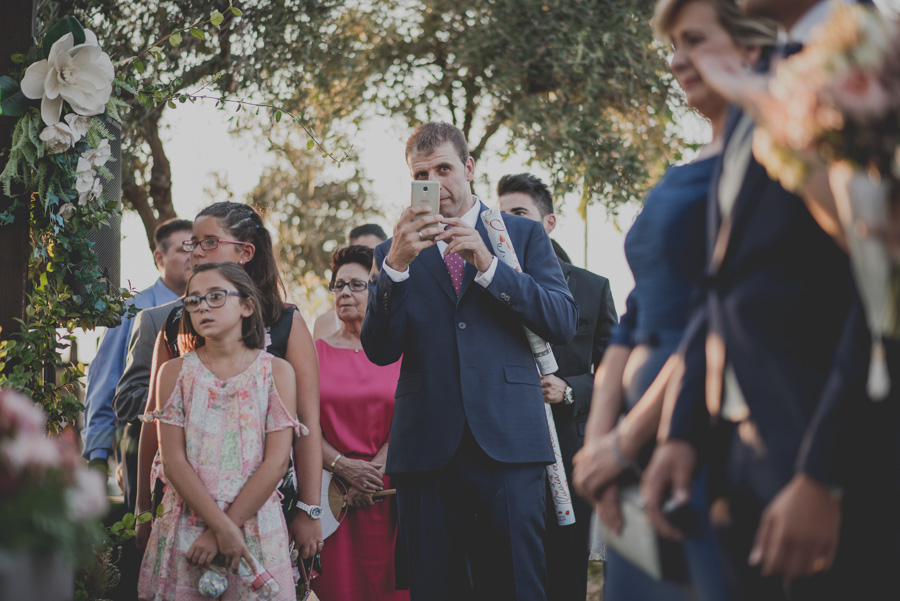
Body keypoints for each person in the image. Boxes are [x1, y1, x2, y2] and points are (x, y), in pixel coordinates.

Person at [641, 1, 900, 599]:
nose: (682, 58)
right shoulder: (760, 88)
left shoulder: (866, 56)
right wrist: (681, 431)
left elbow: (879, 286)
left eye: (694, 39)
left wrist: (824, 475)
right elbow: (720, 283)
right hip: (743, 460)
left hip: (834, 457)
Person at [360, 121, 578, 601]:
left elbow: (562, 321)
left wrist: (490, 266)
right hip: (427, 453)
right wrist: (394, 270)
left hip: (509, 446)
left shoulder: (520, 235)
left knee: (517, 587)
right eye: (422, 173)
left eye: (444, 168)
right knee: (437, 589)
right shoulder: (392, 250)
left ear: (469, 167)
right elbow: (379, 350)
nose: (435, 182)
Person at [134, 202, 323, 562]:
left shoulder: (285, 322)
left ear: (245, 252)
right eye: (192, 242)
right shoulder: (177, 323)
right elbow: (152, 422)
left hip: (264, 501)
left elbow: (307, 423)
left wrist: (310, 509)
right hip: (186, 502)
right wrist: (142, 506)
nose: (195, 251)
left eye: (208, 242)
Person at [138, 262, 302, 601]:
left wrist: (224, 532)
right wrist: (220, 527)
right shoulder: (174, 372)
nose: (202, 308)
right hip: (187, 522)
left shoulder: (277, 372)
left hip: (254, 525)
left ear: (246, 305)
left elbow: (275, 463)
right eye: (193, 301)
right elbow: (174, 462)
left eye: (215, 297)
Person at [497, 172, 617, 601]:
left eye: (520, 214)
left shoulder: (592, 287)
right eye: (502, 215)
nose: (509, 223)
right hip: (501, 454)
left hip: (566, 451)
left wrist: (568, 389)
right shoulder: (486, 284)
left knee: (565, 574)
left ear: (547, 223)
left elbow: (613, 373)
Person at [312, 245, 408, 601]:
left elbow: (410, 418)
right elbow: (305, 428)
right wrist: (345, 468)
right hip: (331, 497)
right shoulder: (315, 353)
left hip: (389, 495)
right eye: (338, 286)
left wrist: (370, 473)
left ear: (378, 292)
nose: (345, 293)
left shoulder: (401, 351)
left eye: (356, 284)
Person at [82, 218, 192, 486]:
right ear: (159, 257)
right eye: (181, 249)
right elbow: (106, 381)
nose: (191, 256)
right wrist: (98, 456)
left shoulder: (210, 309)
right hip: (141, 451)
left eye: (194, 247)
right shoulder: (134, 308)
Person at [312, 223, 387, 341]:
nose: (368, 257)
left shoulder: (399, 318)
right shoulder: (326, 325)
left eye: (374, 254)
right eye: (360, 251)